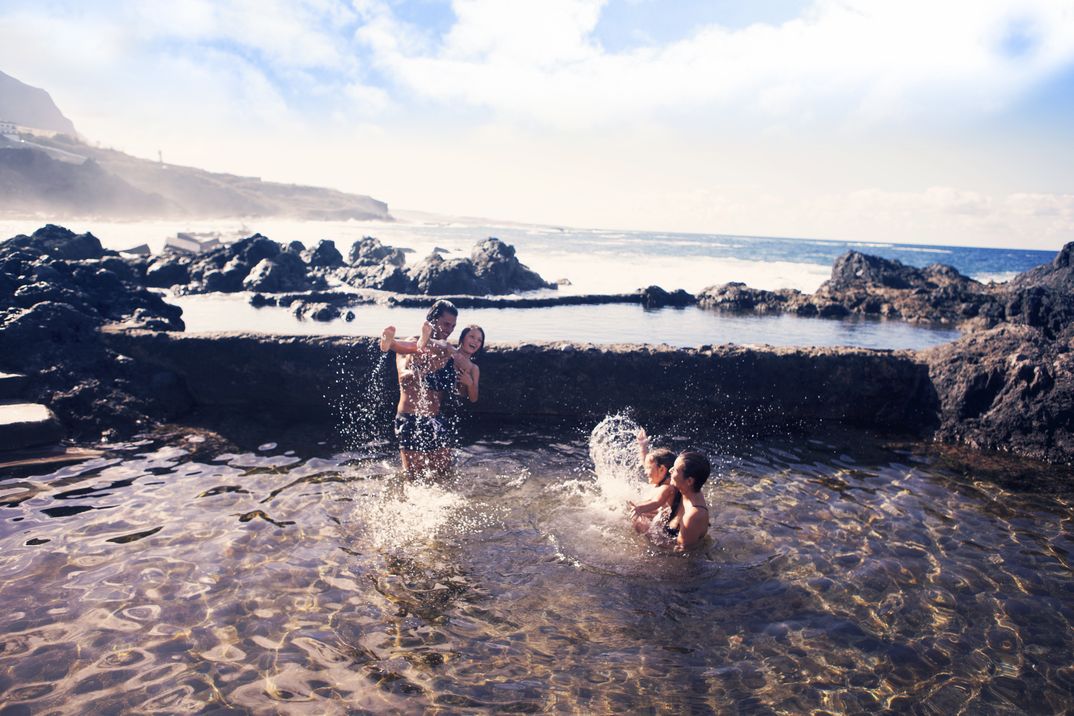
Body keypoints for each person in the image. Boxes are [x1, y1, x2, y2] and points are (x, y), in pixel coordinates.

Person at [378, 302, 484, 476]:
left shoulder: (446, 350)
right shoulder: (412, 342)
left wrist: (468, 377)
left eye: (453, 326)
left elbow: (466, 390)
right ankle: (388, 344)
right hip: (411, 418)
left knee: (444, 473)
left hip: (435, 419)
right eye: (446, 324)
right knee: (414, 476)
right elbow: (404, 376)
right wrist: (420, 370)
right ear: (433, 320)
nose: (449, 329)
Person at [628, 428, 679, 533]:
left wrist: (640, 508)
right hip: (657, 520)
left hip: (665, 531)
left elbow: (656, 502)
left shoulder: (667, 487)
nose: (645, 472)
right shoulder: (659, 480)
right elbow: (646, 461)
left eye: (648, 469)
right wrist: (643, 446)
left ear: (662, 469)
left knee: (636, 521)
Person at [666, 451, 712, 551]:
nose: (670, 470)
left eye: (675, 470)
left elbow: (681, 551)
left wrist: (647, 532)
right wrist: (643, 447)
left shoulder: (694, 515)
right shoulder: (684, 490)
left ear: (689, 481)